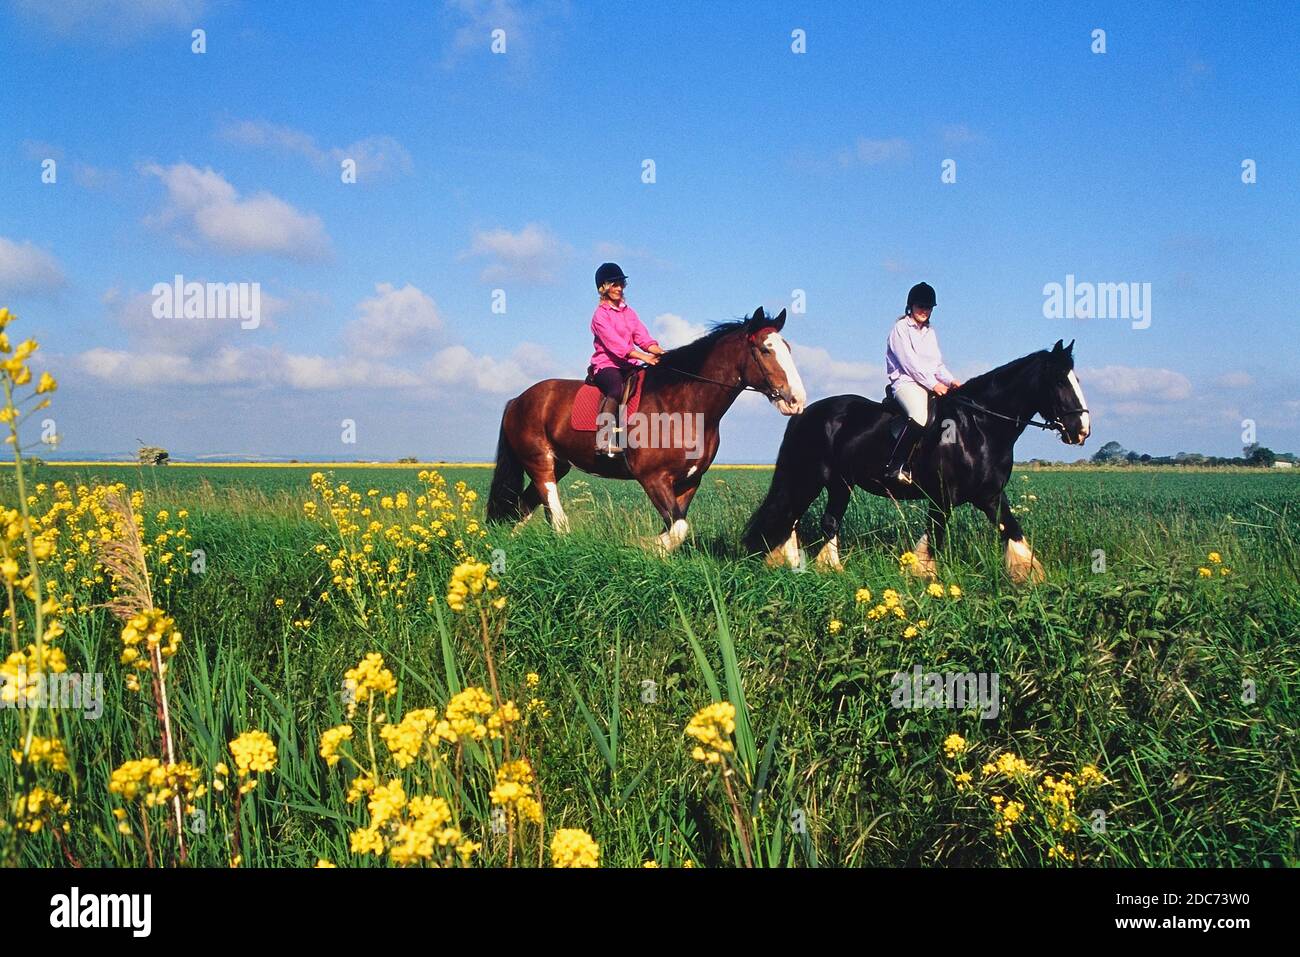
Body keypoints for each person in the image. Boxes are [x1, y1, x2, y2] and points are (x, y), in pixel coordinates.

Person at [882, 282, 962, 484]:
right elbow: (909, 363)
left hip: (927, 384)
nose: (924, 311)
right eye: (920, 306)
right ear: (911, 306)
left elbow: (937, 365)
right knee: (919, 415)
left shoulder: (930, 332)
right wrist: (933, 385)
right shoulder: (900, 328)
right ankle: (896, 465)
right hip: (906, 383)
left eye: (928, 307)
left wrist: (951, 381)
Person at [587, 262, 665, 456]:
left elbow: (642, 337)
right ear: (603, 287)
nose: (619, 288)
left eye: (621, 284)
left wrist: (658, 351)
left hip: (629, 364)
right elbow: (617, 346)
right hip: (607, 365)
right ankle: (604, 440)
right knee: (615, 389)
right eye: (614, 284)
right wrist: (644, 356)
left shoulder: (629, 313)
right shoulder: (599, 316)